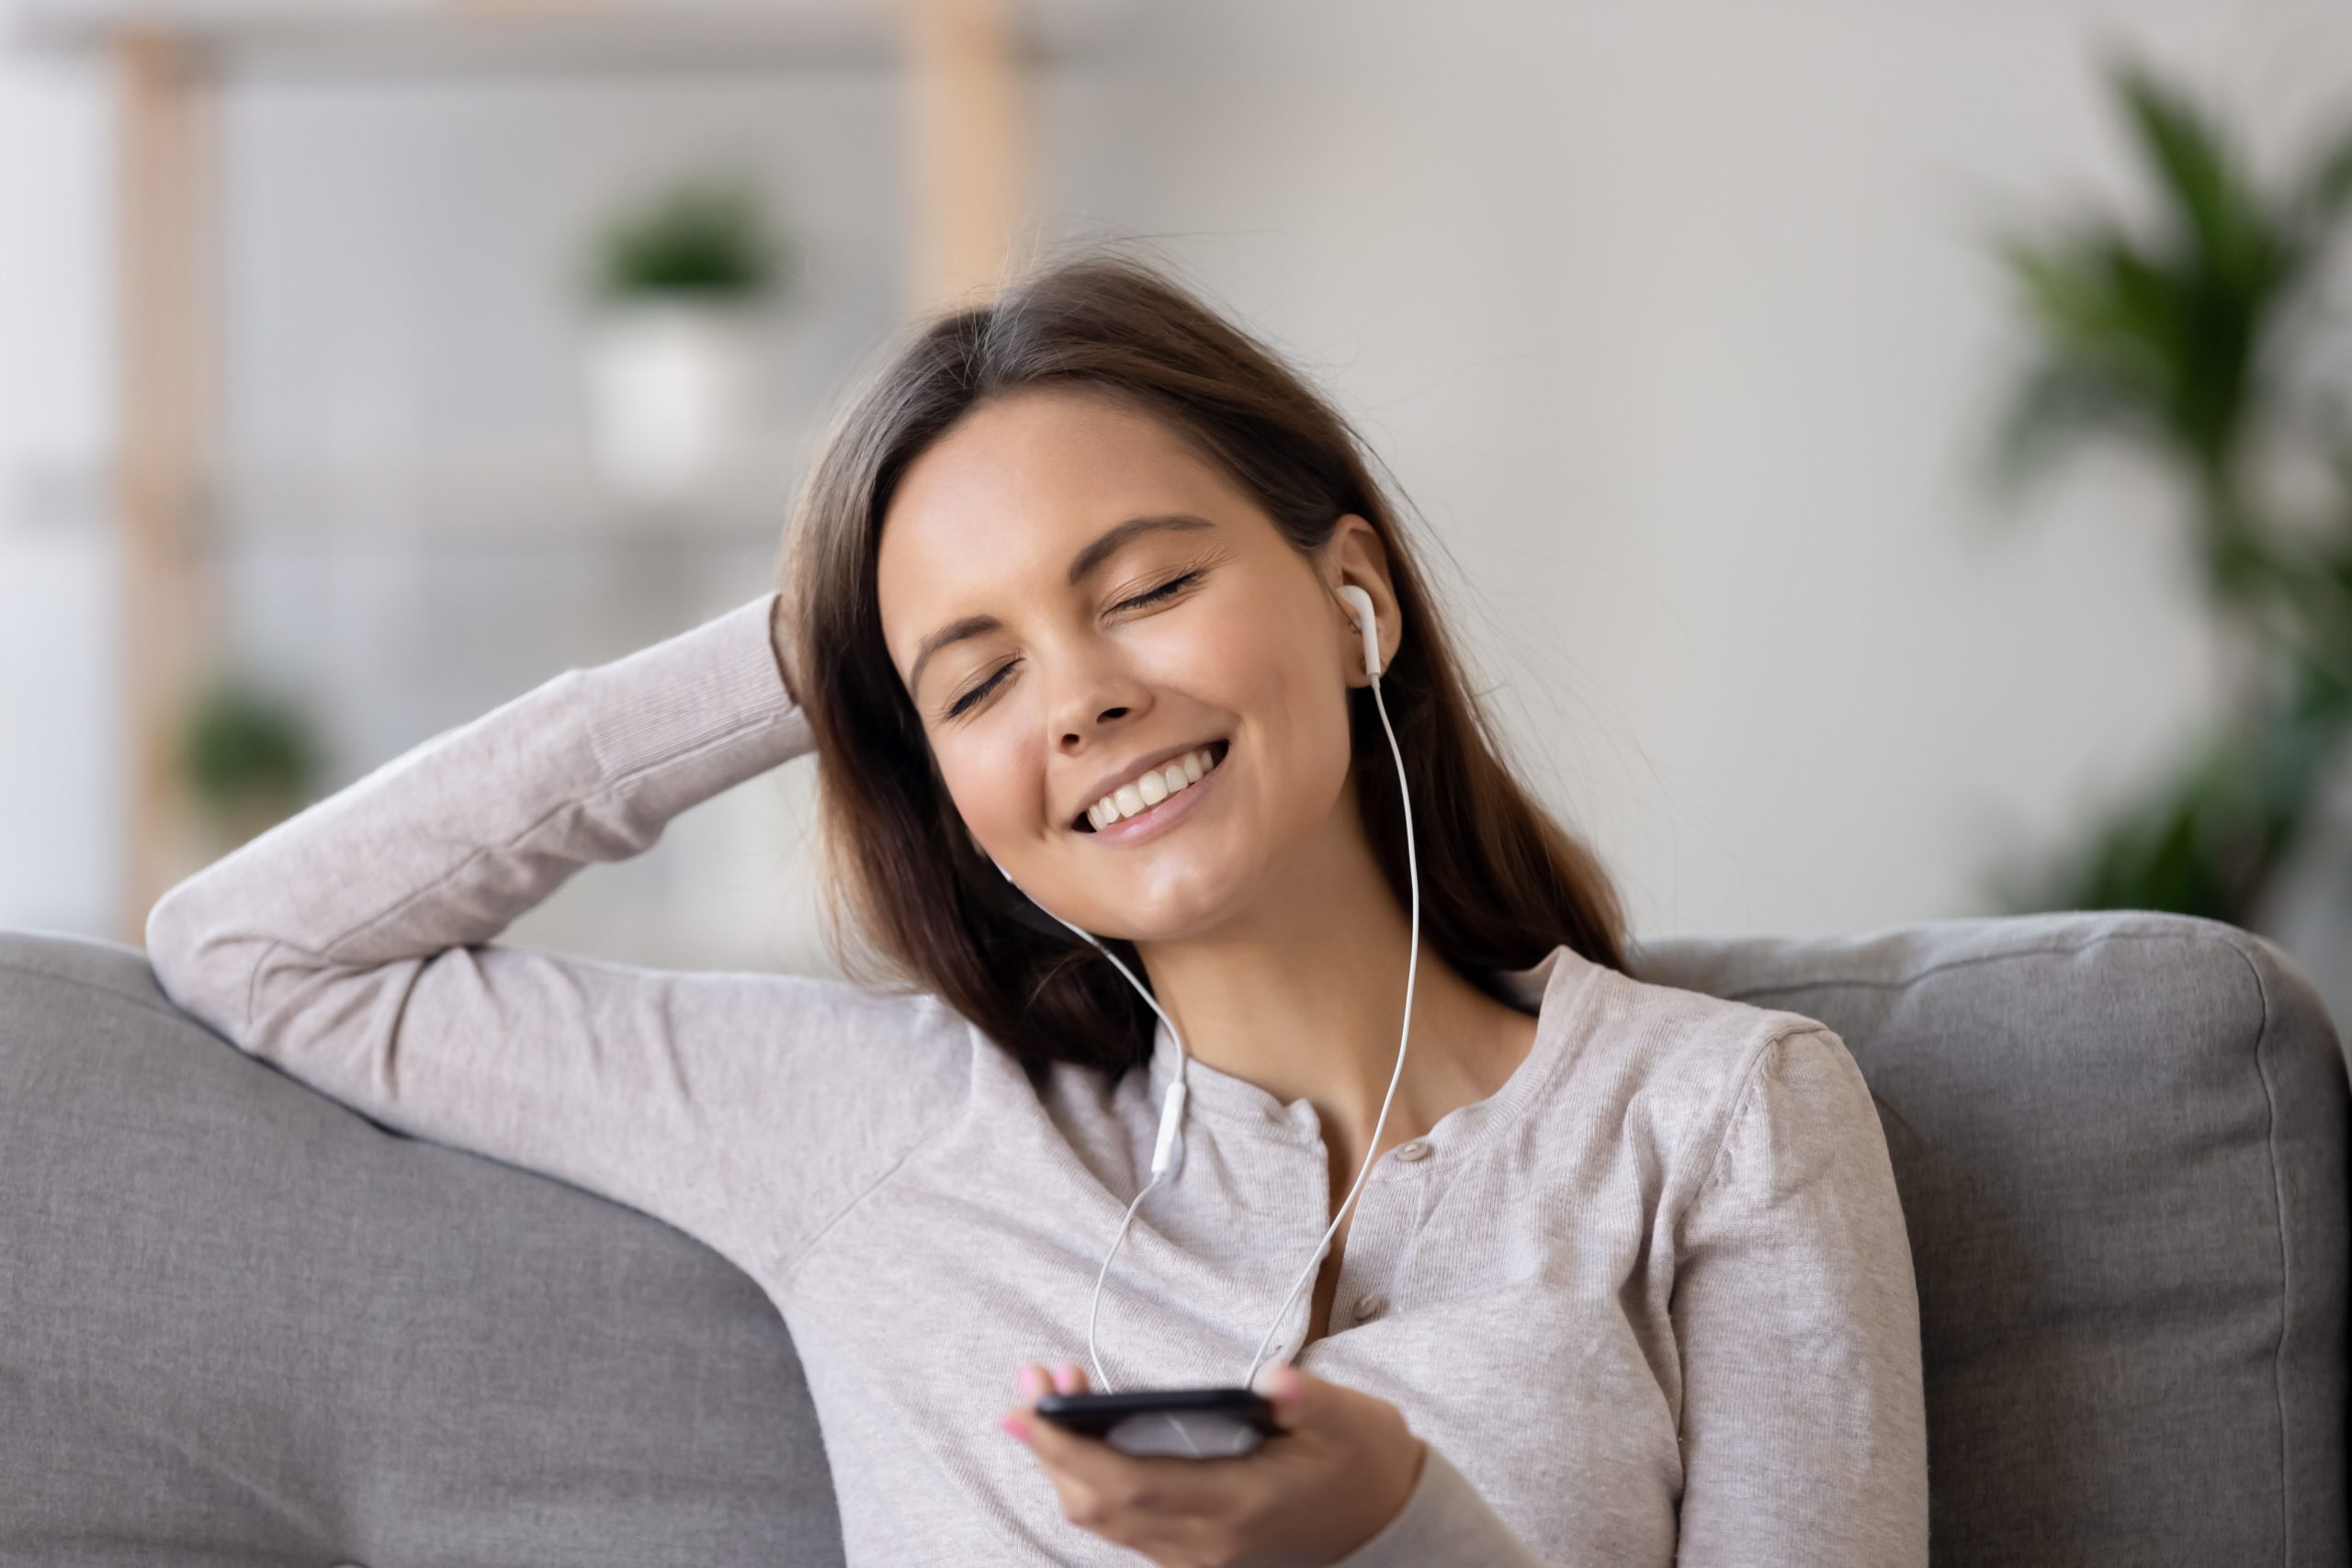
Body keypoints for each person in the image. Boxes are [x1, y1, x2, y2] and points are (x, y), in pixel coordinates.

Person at [144, 245, 1928, 1567]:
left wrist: (1401, 1530)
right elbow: (259, 942)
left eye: (1142, 584)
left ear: (1349, 591)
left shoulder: (1721, 1118)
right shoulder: (879, 1129)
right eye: (976, 678)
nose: (1077, 697)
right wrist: (810, 640)